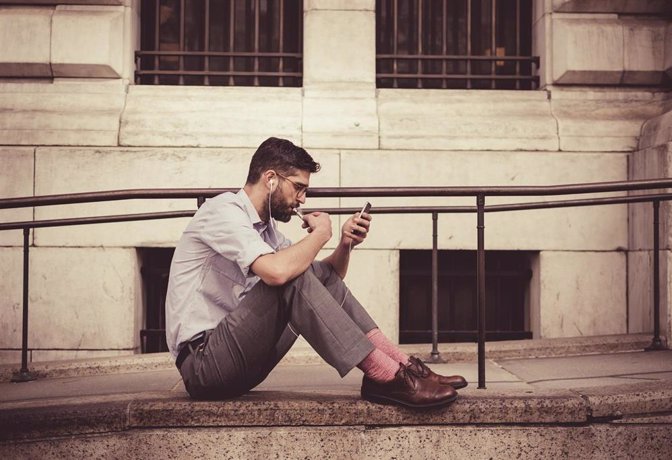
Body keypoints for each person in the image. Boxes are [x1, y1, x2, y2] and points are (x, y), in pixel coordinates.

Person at [165, 137, 467, 408]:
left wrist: (345, 243)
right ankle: (384, 376)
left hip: (242, 361)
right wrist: (320, 235)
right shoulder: (222, 212)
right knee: (286, 275)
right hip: (204, 364)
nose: (303, 199)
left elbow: (324, 278)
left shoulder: (267, 231)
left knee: (304, 272)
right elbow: (278, 274)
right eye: (298, 187)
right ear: (270, 179)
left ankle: (404, 368)